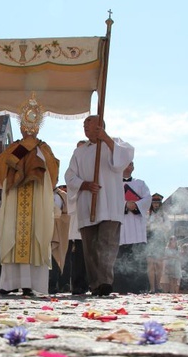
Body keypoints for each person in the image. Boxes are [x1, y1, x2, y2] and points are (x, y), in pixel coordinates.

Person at [0, 96, 59, 296]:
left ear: (38, 127)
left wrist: (34, 154)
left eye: (32, 126)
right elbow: (0, 165)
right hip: (15, 197)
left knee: (34, 235)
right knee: (13, 233)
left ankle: (31, 284)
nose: (28, 130)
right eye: (25, 125)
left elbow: (52, 171)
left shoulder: (44, 148)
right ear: (21, 127)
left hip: (36, 199)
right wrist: (24, 151)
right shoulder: (14, 147)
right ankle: (9, 283)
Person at [65, 115, 135, 297]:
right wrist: (84, 184)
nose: (85, 127)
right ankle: (95, 284)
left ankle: (105, 282)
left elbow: (124, 160)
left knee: (107, 244)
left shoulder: (116, 144)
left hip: (109, 203)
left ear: (100, 126)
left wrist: (105, 138)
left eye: (89, 124)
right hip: (87, 203)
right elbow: (70, 176)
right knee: (90, 247)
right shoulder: (79, 152)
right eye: (84, 125)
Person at [114, 161, 151, 294]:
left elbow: (148, 199)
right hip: (121, 228)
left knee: (138, 259)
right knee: (120, 260)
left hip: (137, 229)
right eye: (125, 163)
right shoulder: (113, 184)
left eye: (130, 164)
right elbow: (110, 200)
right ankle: (120, 288)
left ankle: (140, 288)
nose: (128, 166)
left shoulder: (140, 183)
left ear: (133, 167)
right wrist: (125, 204)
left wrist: (135, 205)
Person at [145, 193, 169, 293]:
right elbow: (145, 227)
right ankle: (152, 288)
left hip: (159, 239)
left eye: (157, 203)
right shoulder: (147, 214)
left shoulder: (164, 215)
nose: (155, 205)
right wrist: (151, 225)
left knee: (159, 264)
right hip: (150, 238)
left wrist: (159, 225)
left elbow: (168, 227)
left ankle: (158, 284)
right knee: (150, 264)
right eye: (154, 203)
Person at [49, 185, 71, 294]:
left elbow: (67, 213)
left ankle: (58, 283)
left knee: (59, 256)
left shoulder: (62, 195)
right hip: (45, 228)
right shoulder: (41, 193)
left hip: (59, 228)